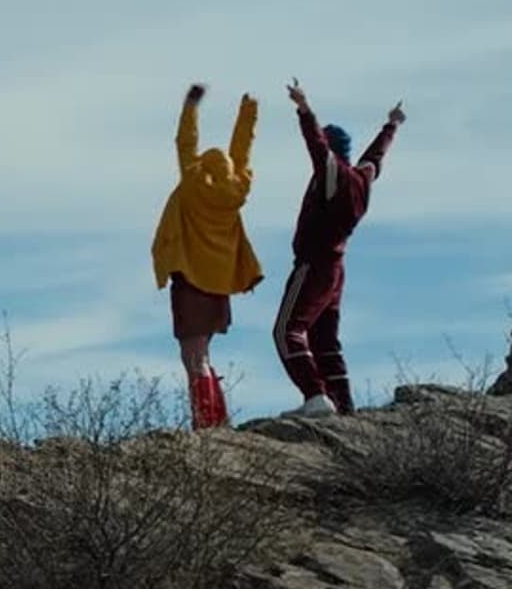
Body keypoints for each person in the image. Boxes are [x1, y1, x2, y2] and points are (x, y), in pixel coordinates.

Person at [274, 77, 405, 418]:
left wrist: (304, 109)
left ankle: (315, 396)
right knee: (324, 339)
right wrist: (391, 125)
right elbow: (375, 156)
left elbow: (316, 145)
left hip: (313, 264)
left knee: (286, 331)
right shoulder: (362, 179)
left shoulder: (333, 176)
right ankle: (344, 406)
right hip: (336, 269)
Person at [152, 82, 264, 429]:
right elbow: (242, 150)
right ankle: (217, 419)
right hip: (219, 285)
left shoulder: (193, 183)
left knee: (193, 358)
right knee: (203, 355)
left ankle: (208, 423)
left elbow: (185, 142)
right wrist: (249, 112)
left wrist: (191, 106)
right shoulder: (237, 189)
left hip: (191, 279)